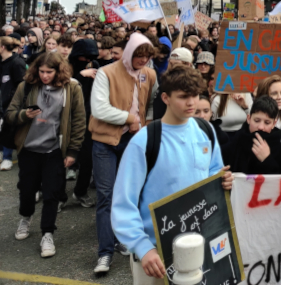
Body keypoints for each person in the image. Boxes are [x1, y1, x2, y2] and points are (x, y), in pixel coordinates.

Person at [111, 65, 233, 285]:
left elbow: (214, 170)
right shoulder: (144, 141)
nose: (191, 103)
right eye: (183, 97)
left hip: (199, 244)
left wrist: (222, 180)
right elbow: (123, 203)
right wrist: (142, 247)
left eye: (195, 96)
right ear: (165, 98)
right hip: (156, 252)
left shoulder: (205, 130)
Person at [89, 33, 158, 274]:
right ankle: (105, 253)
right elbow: (98, 109)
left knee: (130, 194)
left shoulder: (149, 74)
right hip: (105, 141)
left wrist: (146, 122)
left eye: (147, 56)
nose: (143, 60)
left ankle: (126, 240)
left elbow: (149, 102)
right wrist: (130, 118)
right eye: (139, 55)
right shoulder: (106, 73)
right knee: (107, 196)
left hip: (134, 140)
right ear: (129, 52)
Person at [6, 52, 85, 257]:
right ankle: (25, 217)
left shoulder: (72, 88)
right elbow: (10, 113)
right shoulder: (27, 86)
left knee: (52, 193)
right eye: (41, 71)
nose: (44, 76)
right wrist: (25, 114)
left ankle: (47, 233)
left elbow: (78, 121)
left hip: (54, 151)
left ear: (59, 71)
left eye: (49, 72)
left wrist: (73, 151)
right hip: (29, 149)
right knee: (26, 189)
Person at [67, 39, 100, 207]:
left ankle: (80, 191)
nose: (87, 61)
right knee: (62, 160)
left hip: (87, 119)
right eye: (84, 57)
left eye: (90, 58)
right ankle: (57, 196)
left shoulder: (94, 64)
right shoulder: (67, 66)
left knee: (87, 160)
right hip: (67, 119)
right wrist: (79, 76)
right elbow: (61, 86)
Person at [223, 95, 281, 175]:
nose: (261, 127)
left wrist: (267, 160)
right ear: (249, 119)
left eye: (267, 122)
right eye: (257, 121)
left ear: (274, 123)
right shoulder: (232, 147)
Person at [1, 36, 26, 171]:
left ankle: (7, 158)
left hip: (10, 104)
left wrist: (13, 101)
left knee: (8, 130)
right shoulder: (2, 62)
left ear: (2, 47)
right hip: (2, 101)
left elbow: (21, 85)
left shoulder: (16, 63)